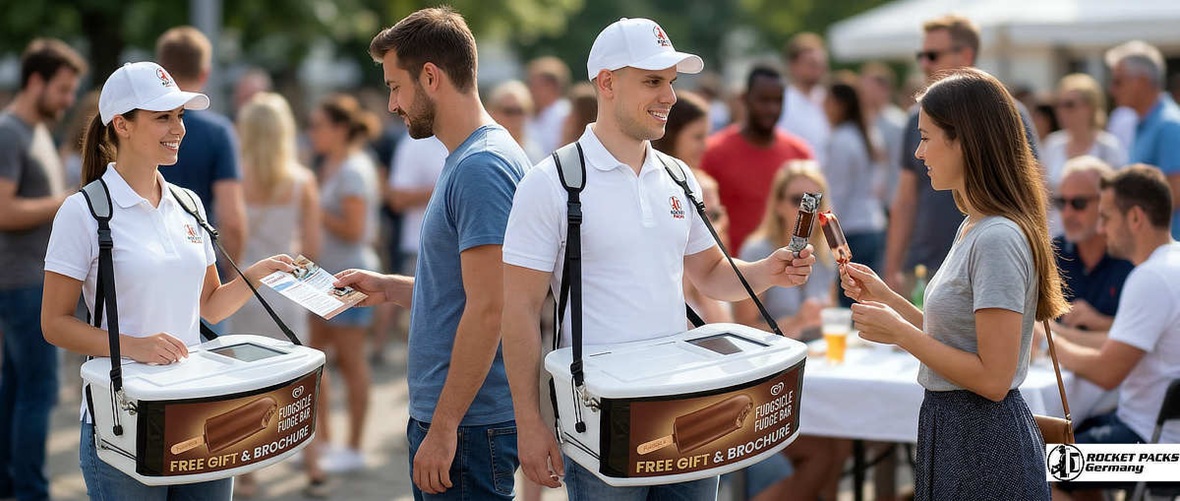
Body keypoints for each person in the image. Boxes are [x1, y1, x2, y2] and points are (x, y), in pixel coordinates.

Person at [499, 17, 816, 500]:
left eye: (670, 82)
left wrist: (764, 272)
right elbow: (518, 310)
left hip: (686, 406)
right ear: (606, 83)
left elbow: (709, 272)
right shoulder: (551, 181)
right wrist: (529, 422)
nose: (669, 96)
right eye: (652, 81)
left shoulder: (679, 175)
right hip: (602, 415)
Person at [40, 61, 295, 500]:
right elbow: (54, 324)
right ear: (121, 125)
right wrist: (136, 346)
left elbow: (211, 306)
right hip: (122, 421)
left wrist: (256, 275)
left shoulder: (188, 203)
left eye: (180, 116)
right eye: (163, 117)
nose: (178, 127)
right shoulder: (82, 211)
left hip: (200, 410)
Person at [840, 68, 1068, 500]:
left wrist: (900, 334)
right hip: (957, 429)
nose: (919, 152)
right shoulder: (975, 225)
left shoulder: (997, 236)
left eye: (926, 138)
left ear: (964, 140)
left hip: (984, 441)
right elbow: (958, 337)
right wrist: (887, 298)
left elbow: (993, 378)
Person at [334, 7, 531, 499]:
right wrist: (387, 288)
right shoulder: (471, 157)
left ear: (430, 77)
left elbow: (490, 310)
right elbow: (470, 292)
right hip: (461, 422)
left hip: (465, 426)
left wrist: (442, 429)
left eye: (395, 86)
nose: (391, 105)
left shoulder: (480, 166)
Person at [883, 14, 1040, 293]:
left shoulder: (1006, 114)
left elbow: (1030, 189)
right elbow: (905, 199)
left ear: (965, 54)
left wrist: (1034, 263)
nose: (924, 64)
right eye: (921, 55)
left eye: (932, 55)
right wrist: (891, 268)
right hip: (927, 261)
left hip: (989, 257)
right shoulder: (915, 118)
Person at [1051, 165, 1180, 500]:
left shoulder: (1150, 277)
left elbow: (1107, 373)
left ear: (1135, 218)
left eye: (1106, 217)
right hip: (1157, 442)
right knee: (1067, 446)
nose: (1102, 228)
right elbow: (1116, 347)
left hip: (1157, 454)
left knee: (1037, 463)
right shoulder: (1172, 265)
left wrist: (1048, 342)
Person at [0, 37, 84, 501]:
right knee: (39, 393)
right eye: (63, 89)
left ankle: (12, 485)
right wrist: (68, 201)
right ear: (35, 81)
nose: (68, 100)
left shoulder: (33, 132)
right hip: (23, 284)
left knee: (16, 390)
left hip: (29, 280)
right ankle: (31, 491)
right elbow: (3, 210)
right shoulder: (10, 132)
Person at [228, 91, 325, 496]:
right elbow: (314, 250)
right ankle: (312, 461)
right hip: (289, 294)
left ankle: (246, 470)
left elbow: (230, 235)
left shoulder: (236, 177)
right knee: (299, 380)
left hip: (245, 290)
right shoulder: (302, 180)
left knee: (242, 383)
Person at [736, 163, 844, 501]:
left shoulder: (824, 255)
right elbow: (741, 332)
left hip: (816, 371)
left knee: (843, 440)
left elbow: (827, 320)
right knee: (824, 451)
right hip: (768, 382)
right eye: (798, 199)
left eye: (814, 199)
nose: (805, 208)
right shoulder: (758, 252)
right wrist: (797, 322)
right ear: (779, 204)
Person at [306, 93, 382, 474]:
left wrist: (314, 210)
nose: (311, 132)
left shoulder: (353, 169)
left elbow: (355, 231)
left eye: (318, 125)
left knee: (352, 364)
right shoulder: (331, 164)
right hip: (323, 279)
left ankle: (352, 447)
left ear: (338, 128)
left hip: (350, 278)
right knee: (314, 361)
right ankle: (323, 442)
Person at [155, 27, 247, 265]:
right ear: (205, 73)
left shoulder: (137, 125)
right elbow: (232, 218)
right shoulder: (218, 132)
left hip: (144, 256)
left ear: (161, 69)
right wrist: (230, 281)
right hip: (197, 260)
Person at [701, 65, 813, 255]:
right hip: (732, 271)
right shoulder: (713, 152)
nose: (771, 109)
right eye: (764, 100)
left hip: (788, 272)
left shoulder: (800, 154)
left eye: (778, 101)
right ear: (745, 99)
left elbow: (811, 217)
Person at [650, 90, 732, 324]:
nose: (705, 146)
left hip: (706, 300)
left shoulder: (703, 184)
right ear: (673, 134)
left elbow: (717, 262)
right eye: (697, 137)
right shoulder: (669, 186)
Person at [1105, 40, 1180, 238]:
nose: (1112, 90)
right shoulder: (1146, 123)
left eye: (1118, 81)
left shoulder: (1169, 126)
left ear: (1141, 81)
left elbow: (1175, 194)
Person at [1042, 73, 1127, 236]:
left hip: (1098, 239)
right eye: (1058, 104)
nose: (1062, 111)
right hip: (1058, 239)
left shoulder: (1109, 147)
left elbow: (1119, 198)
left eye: (1069, 104)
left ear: (1090, 107)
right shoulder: (1052, 145)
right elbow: (1043, 197)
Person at [822, 76, 886, 286]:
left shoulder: (842, 139)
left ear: (840, 105)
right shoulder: (867, 134)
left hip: (850, 231)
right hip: (873, 224)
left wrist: (825, 235)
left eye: (828, 101)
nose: (824, 107)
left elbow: (836, 193)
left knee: (850, 300)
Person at [777, 32, 831, 160]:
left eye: (821, 64)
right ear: (793, 66)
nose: (818, 70)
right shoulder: (781, 102)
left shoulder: (828, 100)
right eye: (811, 64)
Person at [488, 80, 545, 162]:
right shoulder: (486, 152)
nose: (515, 117)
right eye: (509, 111)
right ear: (492, 113)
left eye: (520, 111)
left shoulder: (535, 154)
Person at [526, 56, 573, 156]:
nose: (530, 89)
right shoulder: (528, 113)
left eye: (535, 84)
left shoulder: (566, 114)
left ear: (552, 86)